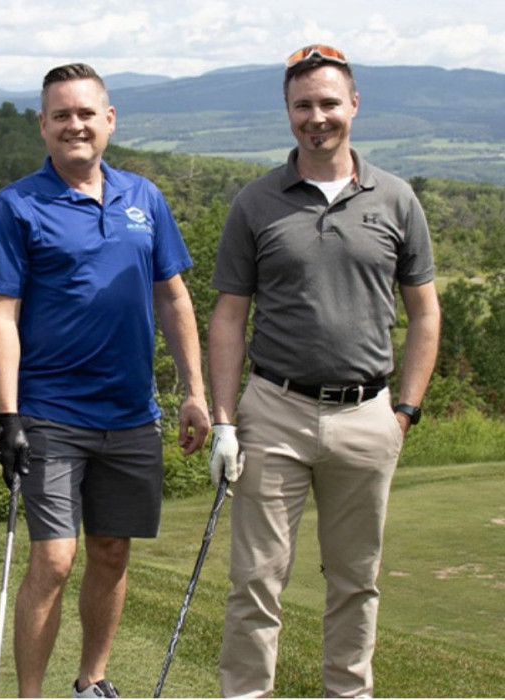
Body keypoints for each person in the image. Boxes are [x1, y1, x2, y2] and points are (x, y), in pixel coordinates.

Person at [208, 44, 441, 698]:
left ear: (354, 105)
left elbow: (425, 313)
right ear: (288, 112)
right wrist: (226, 422)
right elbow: (228, 317)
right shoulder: (256, 203)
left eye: (329, 103)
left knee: (355, 581)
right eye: (304, 105)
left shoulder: (395, 199)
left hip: (368, 414)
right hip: (273, 411)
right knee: (255, 581)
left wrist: (406, 411)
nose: (318, 117)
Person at [0, 63, 210, 698]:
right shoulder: (17, 205)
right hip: (49, 413)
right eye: (60, 115)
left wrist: (194, 390)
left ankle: (92, 681)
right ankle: (30, 693)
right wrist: (8, 414)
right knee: (54, 558)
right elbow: (0, 315)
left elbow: (174, 298)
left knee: (111, 552)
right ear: (43, 126)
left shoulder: (144, 198)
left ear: (108, 120)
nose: (74, 125)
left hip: (132, 414)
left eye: (85, 113)